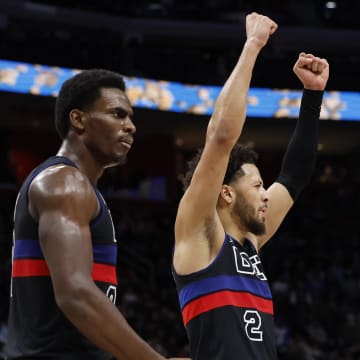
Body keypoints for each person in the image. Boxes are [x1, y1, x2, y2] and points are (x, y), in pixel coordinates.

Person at [172, 12, 329, 360]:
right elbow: (222, 136)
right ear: (225, 192)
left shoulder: (250, 242)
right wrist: (253, 45)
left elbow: (294, 176)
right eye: (257, 186)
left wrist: (312, 95)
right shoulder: (200, 232)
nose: (265, 194)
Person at [6, 69, 189, 360]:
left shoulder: (75, 186)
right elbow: (75, 294)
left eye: (130, 117)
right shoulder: (65, 183)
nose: (130, 126)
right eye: (117, 115)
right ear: (78, 119)